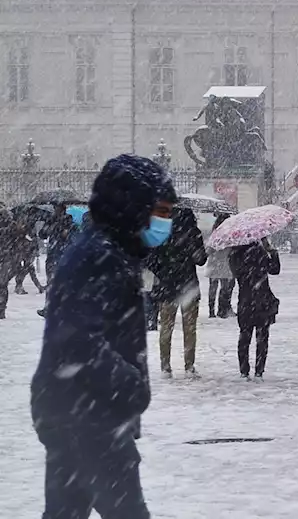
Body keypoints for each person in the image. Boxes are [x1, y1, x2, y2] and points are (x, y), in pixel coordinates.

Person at [31, 154, 177, 519]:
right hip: (91, 418)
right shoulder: (100, 257)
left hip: (73, 411)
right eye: (159, 210)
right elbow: (77, 342)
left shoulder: (109, 250)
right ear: (132, 207)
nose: (165, 220)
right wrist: (131, 387)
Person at [146, 207, 207, 378]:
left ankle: (165, 367)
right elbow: (201, 260)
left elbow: (150, 260)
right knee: (190, 329)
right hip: (189, 286)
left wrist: (163, 272)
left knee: (166, 328)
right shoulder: (193, 233)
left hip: (168, 287)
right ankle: (189, 367)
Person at [228, 239, 281, 379]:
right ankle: (259, 370)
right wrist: (271, 251)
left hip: (245, 301)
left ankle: (244, 370)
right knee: (262, 338)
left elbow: (235, 272)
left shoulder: (235, 254)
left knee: (244, 337)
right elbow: (275, 270)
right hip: (262, 300)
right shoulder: (260, 252)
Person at [205, 214, 234, 319]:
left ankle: (211, 311)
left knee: (213, 287)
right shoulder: (230, 235)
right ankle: (222, 310)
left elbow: (208, 250)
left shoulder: (214, 234)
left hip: (213, 264)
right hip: (225, 264)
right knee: (224, 288)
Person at [12, 213, 44, 295]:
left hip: (26, 251)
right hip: (21, 251)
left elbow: (33, 239)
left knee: (29, 268)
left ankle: (21, 286)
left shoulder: (28, 228)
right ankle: (21, 286)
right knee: (26, 269)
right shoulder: (16, 231)